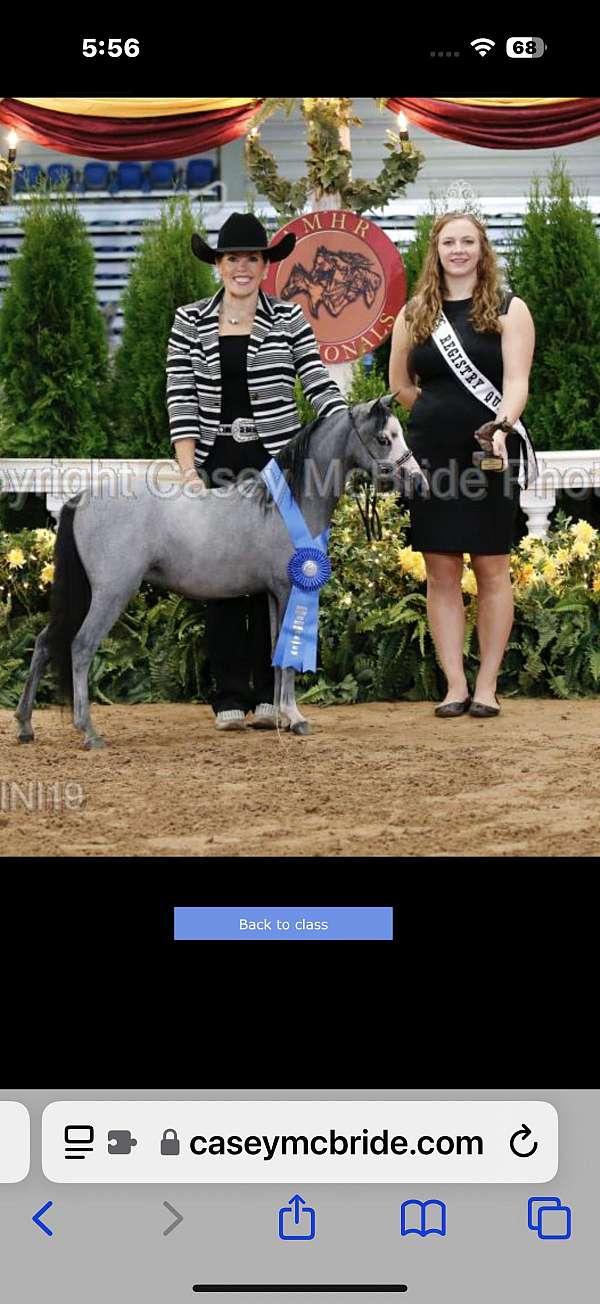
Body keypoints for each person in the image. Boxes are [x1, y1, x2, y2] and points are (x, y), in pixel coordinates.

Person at [166, 212, 347, 730]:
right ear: (219, 266)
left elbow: (316, 382)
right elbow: (180, 397)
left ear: (265, 266)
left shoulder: (289, 319)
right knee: (220, 572)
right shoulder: (188, 321)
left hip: (277, 464)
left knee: (277, 576)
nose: (242, 267)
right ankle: (228, 693)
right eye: (232, 259)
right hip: (217, 461)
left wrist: (348, 424)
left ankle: (273, 693)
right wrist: (187, 469)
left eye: (252, 258)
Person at [389, 210, 536, 719]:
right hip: (431, 454)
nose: (458, 250)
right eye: (449, 241)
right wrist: (435, 417)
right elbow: (401, 386)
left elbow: (517, 383)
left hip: (489, 450)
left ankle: (488, 686)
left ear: (482, 248)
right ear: (436, 250)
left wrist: (500, 424)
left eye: (467, 241)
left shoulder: (507, 308)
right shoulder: (414, 314)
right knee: (440, 570)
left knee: (493, 565)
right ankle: (455, 685)